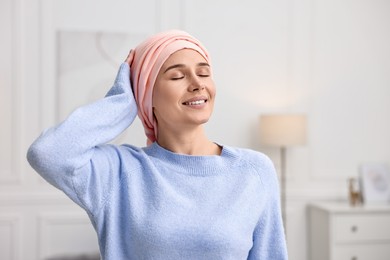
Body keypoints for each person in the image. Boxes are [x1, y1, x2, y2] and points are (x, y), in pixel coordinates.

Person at [27, 30, 288, 260]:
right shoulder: (118, 172)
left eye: (204, 73)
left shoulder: (254, 170)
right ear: (146, 94)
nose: (197, 84)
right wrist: (122, 102)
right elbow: (48, 153)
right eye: (177, 77)